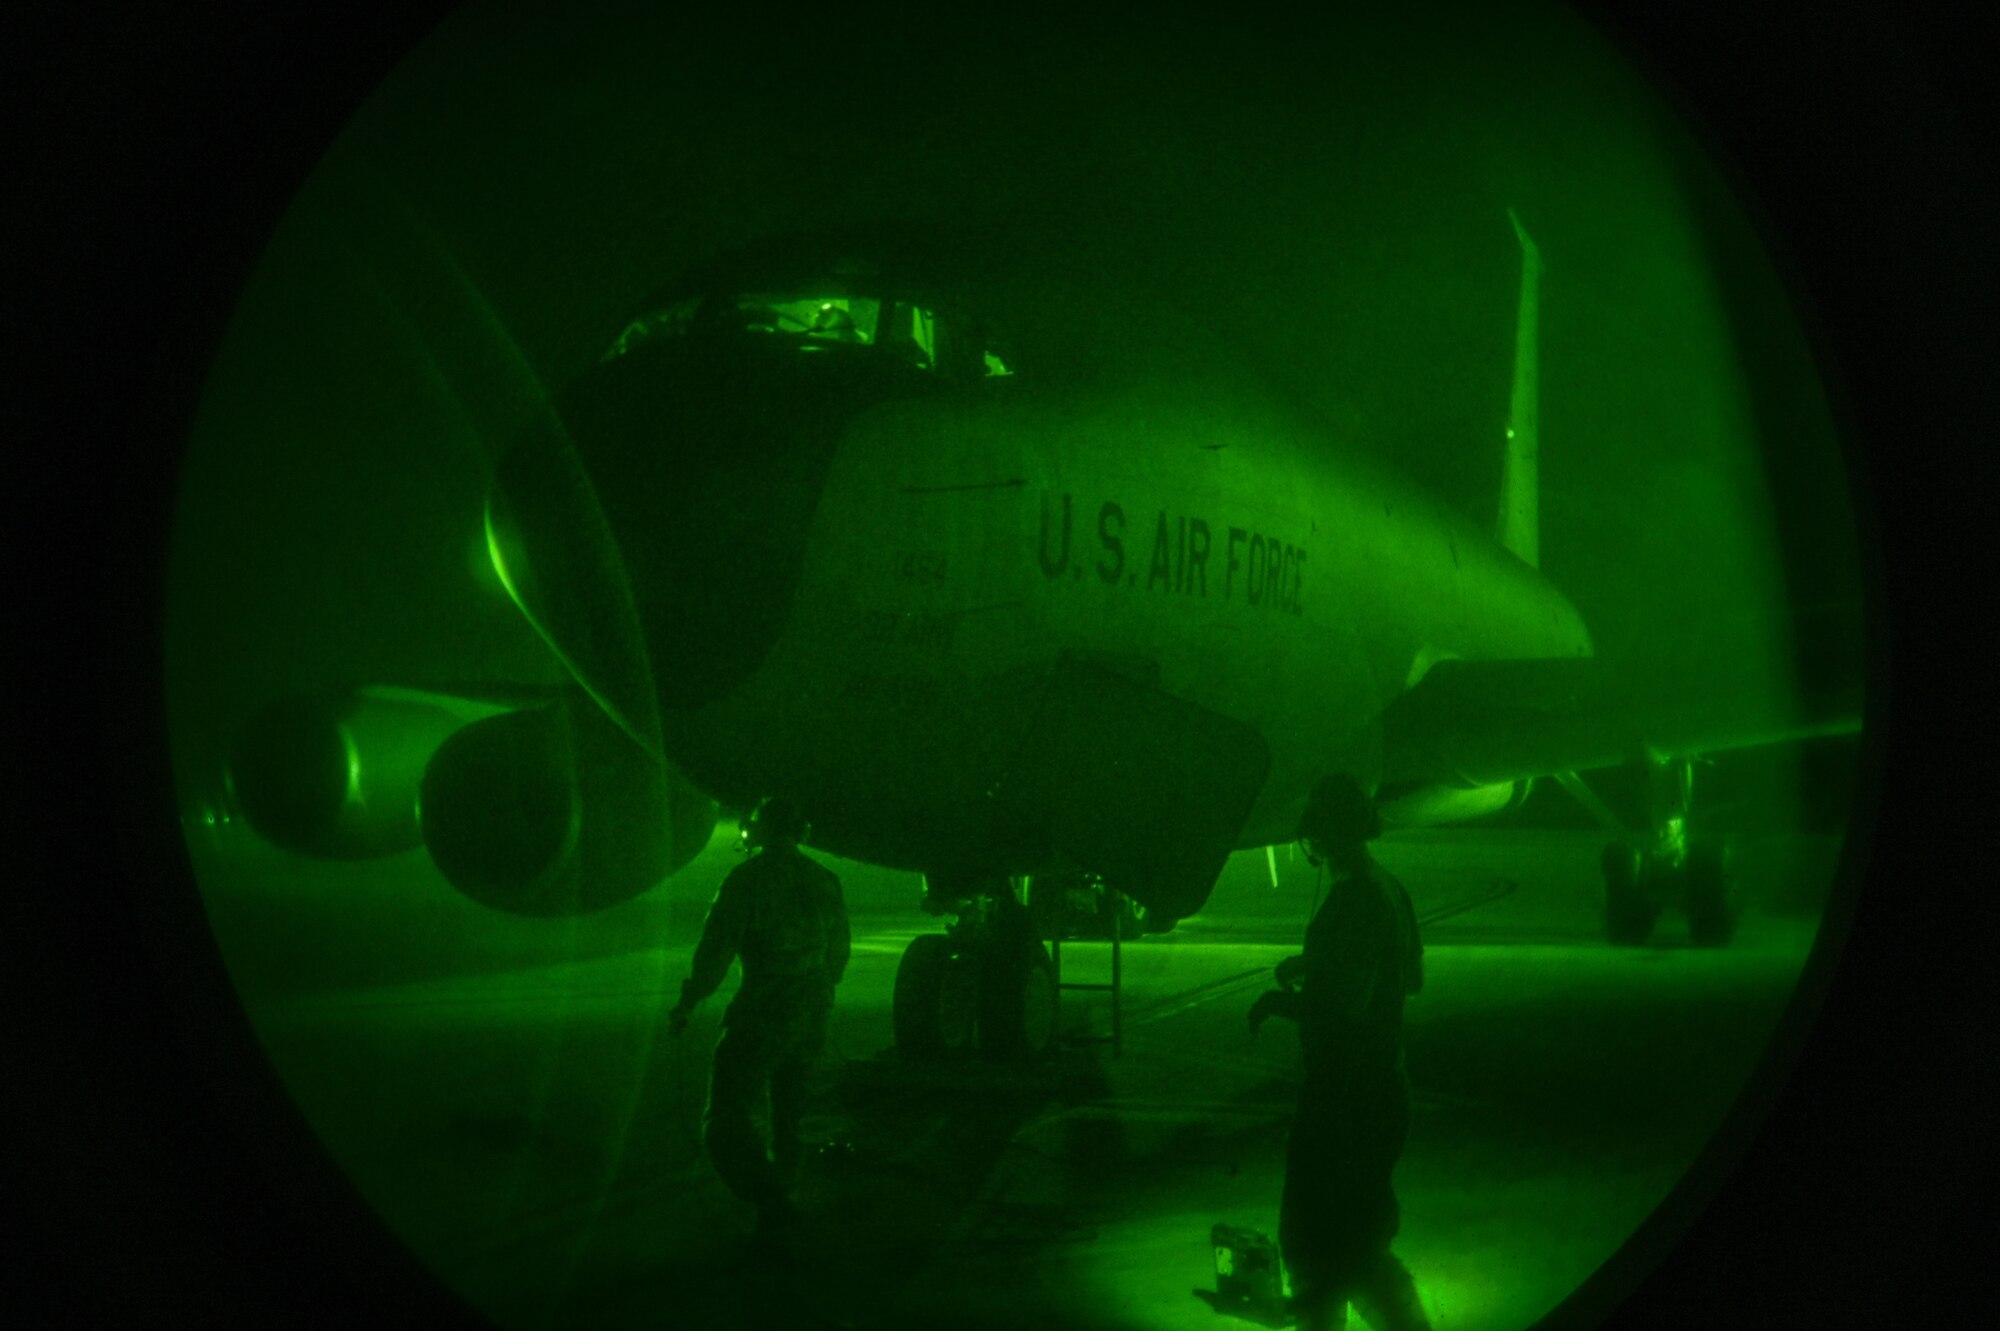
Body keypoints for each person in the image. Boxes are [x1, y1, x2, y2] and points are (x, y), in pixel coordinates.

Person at [1248, 774, 1430, 1331]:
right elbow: (1408, 978)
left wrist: (1282, 1002)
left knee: (1315, 1243)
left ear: (1323, 832)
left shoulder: (1352, 897)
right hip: (1384, 1088)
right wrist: (1316, 967)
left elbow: (1345, 1008)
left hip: (1345, 1095)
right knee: (1357, 1240)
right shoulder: (1388, 888)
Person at [668, 796, 849, 1242]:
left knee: (728, 1116)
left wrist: (688, 1002)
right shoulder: (826, 880)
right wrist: (817, 992)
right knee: (792, 1113)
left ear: (760, 830)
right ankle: (783, 1200)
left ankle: (770, 1200)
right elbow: (838, 956)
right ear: (801, 831)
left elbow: (715, 952)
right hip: (813, 1011)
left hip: (764, 1012)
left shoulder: (747, 881)